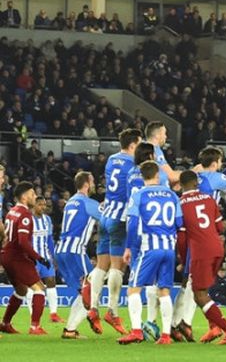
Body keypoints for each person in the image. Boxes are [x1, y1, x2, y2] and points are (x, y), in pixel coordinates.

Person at [117, 161, 183, 345]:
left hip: (149, 248)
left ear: (143, 176)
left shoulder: (138, 195)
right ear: (157, 175)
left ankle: (137, 331)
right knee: (164, 291)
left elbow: (131, 223)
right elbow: (179, 222)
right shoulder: (171, 195)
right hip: (169, 248)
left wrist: (129, 247)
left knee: (133, 289)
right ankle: (166, 335)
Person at [88, 128, 142, 335]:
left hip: (105, 215)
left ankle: (94, 308)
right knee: (117, 267)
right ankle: (112, 310)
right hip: (120, 216)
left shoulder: (111, 159)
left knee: (102, 265)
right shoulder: (133, 164)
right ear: (133, 145)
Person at [177, 171, 226, 345]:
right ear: (197, 183)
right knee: (203, 290)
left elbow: (182, 239)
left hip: (200, 252)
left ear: (181, 185)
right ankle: (214, 327)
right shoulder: (208, 199)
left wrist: (183, 260)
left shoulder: (180, 203)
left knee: (199, 294)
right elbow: (220, 226)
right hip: (217, 248)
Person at [0, 182, 50, 335]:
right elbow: (22, 241)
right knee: (40, 289)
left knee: (21, 290)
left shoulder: (12, 211)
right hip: (16, 257)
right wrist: (38, 257)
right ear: (24, 197)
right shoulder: (25, 214)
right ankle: (35, 327)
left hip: (5, 255)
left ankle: (5, 323)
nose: (35, 196)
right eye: (32, 194)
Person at [57, 172, 102, 339]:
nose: (95, 183)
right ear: (87, 184)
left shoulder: (71, 202)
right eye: (93, 180)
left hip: (61, 250)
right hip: (75, 251)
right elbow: (107, 218)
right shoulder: (89, 203)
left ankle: (70, 329)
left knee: (81, 292)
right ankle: (70, 329)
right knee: (91, 290)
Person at [28, 197, 62, 323]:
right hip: (32, 258)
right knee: (33, 286)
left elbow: (49, 240)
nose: (43, 207)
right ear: (34, 205)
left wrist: (53, 257)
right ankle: (33, 315)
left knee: (51, 282)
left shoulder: (47, 220)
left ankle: (53, 314)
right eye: (40, 205)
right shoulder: (28, 220)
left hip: (45, 258)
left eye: (44, 205)